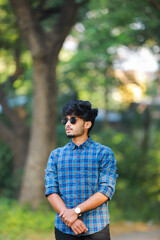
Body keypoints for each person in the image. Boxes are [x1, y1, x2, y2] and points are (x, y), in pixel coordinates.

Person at [45, 100, 118, 240]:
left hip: (96, 228)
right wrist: (70, 217)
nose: (67, 124)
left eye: (73, 120)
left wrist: (76, 211)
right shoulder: (56, 155)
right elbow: (51, 190)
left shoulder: (103, 153)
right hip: (64, 229)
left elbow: (106, 190)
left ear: (87, 124)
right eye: (65, 120)